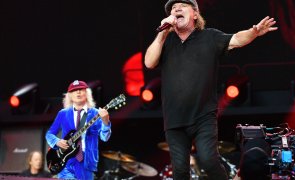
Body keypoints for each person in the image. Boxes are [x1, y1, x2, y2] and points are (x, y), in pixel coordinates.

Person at [144, 0, 278, 179]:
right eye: (173, 8)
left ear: (195, 14)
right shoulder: (166, 43)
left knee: (208, 160)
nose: (176, 9)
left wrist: (254, 32)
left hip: (203, 116)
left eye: (182, 6)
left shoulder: (210, 37)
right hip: (174, 118)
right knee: (180, 171)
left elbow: (237, 39)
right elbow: (149, 62)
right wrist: (162, 34)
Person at [45, 80, 112, 179]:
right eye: (74, 90)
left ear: (87, 93)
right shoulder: (63, 113)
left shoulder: (96, 113)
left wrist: (106, 122)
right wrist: (57, 141)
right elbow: (49, 134)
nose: (78, 92)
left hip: (87, 162)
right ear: (70, 95)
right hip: (65, 161)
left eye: (81, 89)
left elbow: (104, 138)